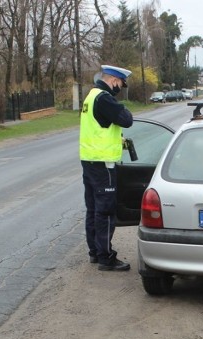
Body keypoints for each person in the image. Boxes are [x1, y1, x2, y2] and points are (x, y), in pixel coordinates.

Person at [79, 65, 133, 271]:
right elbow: (126, 120)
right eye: (120, 84)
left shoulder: (90, 96)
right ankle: (106, 257)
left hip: (89, 161)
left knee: (93, 209)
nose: (120, 87)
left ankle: (95, 251)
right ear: (113, 81)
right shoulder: (104, 98)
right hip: (103, 164)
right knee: (106, 211)